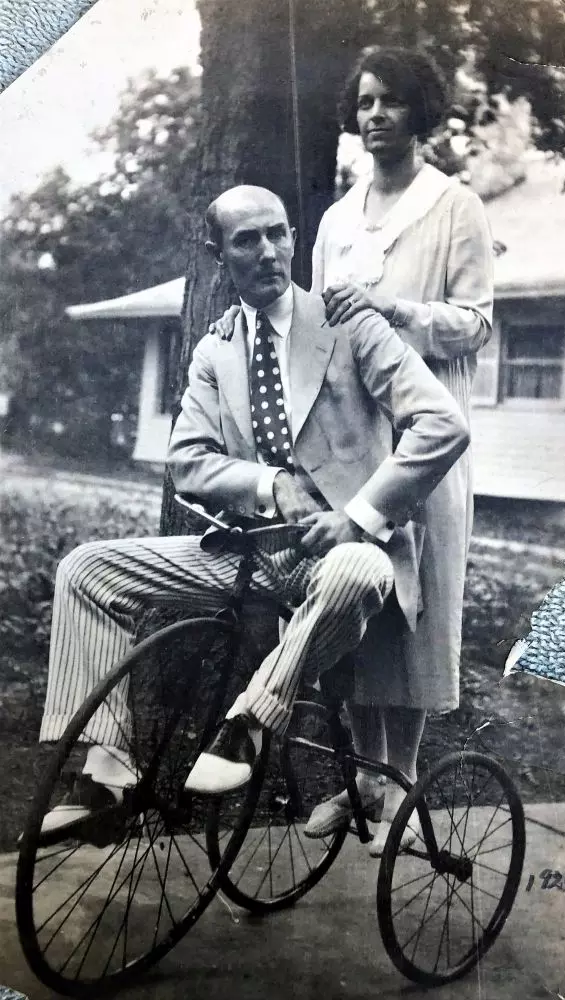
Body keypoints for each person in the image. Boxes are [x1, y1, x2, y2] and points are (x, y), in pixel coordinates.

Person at [37, 184, 470, 837]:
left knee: (356, 568)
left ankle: (250, 723)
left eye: (279, 234)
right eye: (248, 240)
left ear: (294, 239)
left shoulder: (346, 322)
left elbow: (443, 423)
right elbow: (188, 460)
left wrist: (358, 517)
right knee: (86, 569)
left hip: (346, 555)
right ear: (218, 254)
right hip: (249, 553)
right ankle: (104, 774)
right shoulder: (217, 350)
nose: (269, 252)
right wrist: (270, 485)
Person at [305, 45, 494, 854]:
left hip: (425, 433)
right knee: (359, 602)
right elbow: (312, 326)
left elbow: (476, 319)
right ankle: (363, 781)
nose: (376, 115)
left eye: (392, 101)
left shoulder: (455, 206)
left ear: (421, 113)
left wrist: (395, 310)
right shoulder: (336, 219)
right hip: (352, 435)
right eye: (366, 101)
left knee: (416, 615)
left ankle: (400, 785)